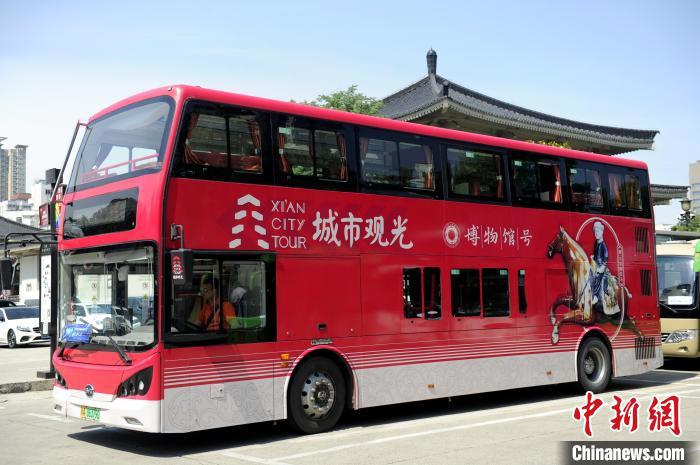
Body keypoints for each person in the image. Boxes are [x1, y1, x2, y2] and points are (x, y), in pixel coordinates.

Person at [590, 221, 609, 308]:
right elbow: (596, 254)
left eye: (598, 231)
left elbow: (606, 256)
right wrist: (593, 257)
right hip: (595, 265)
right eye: (595, 232)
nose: (596, 233)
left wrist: (602, 267)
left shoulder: (603, 245)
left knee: (598, 276)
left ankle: (596, 296)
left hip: (601, 267)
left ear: (602, 232)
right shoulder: (595, 243)